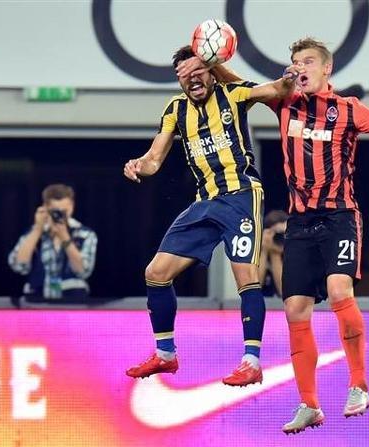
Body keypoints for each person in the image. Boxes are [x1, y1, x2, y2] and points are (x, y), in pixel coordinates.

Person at [178, 37, 369, 433]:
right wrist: (211, 60)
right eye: (296, 61)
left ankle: (359, 385)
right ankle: (309, 404)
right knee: (295, 309)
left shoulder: (348, 109)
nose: (300, 67)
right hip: (299, 223)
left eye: (309, 61)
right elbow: (239, 83)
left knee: (338, 290)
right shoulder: (284, 101)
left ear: (327, 68)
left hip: (339, 217)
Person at [124, 45, 299, 386]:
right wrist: (138, 165)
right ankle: (165, 354)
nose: (192, 80)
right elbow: (154, 160)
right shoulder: (175, 109)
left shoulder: (233, 93)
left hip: (241, 196)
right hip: (205, 202)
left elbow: (277, 90)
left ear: (211, 71)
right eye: (184, 76)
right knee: (156, 273)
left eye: (198, 72)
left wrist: (289, 79)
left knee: (245, 276)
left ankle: (251, 361)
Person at [8, 184, 97, 300]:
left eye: (64, 211)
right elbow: (19, 266)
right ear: (45, 207)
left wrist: (65, 237)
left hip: (73, 301)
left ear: (72, 206)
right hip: (37, 299)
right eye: (56, 211)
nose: (60, 215)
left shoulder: (85, 234)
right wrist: (37, 229)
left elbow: (83, 271)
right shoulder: (33, 233)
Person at [259, 210, 288, 297]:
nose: (280, 238)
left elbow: (283, 291)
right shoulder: (255, 256)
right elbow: (255, 288)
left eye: (283, 234)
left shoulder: (297, 255)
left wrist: (275, 253)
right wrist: (264, 249)